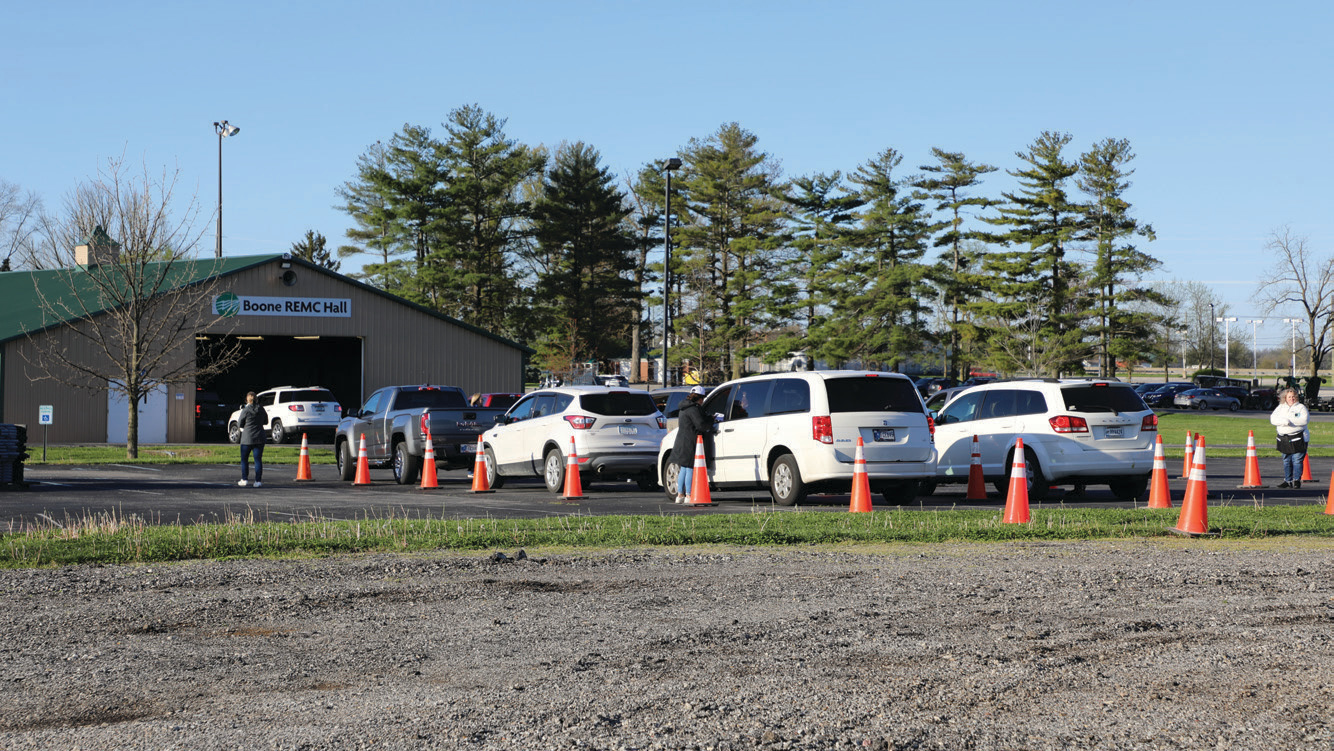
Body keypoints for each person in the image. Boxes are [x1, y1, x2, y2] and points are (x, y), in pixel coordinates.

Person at [670, 386, 714, 503]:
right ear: (700, 398)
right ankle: (689, 495)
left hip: (682, 441)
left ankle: (680, 495)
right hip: (691, 441)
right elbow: (701, 425)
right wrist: (711, 420)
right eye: (703, 398)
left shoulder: (683, 408)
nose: (703, 401)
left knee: (683, 468)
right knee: (690, 468)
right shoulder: (694, 409)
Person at [1270, 387, 1309, 489]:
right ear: (1285, 398)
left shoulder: (1301, 408)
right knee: (1286, 460)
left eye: (1293, 396)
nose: (1292, 398)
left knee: (1297, 460)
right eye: (1289, 397)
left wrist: (1289, 421)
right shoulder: (1280, 407)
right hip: (1284, 438)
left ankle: (1296, 480)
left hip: (1299, 438)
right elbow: (1273, 419)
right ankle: (1288, 481)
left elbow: (1304, 420)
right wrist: (1284, 422)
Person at [237, 391, 268, 487]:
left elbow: (239, 424)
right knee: (258, 460)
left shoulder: (246, 410)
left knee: (244, 459)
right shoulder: (261, 409)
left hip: (247, 438)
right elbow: (266, 421)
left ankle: (244, 479)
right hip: (259, 437)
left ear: (247, 399)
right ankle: (258, 481)